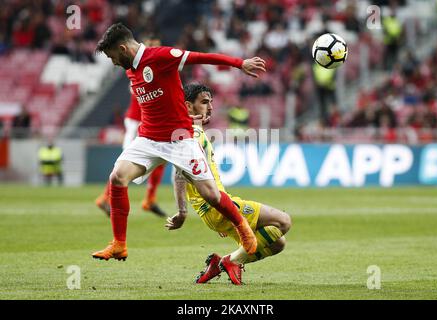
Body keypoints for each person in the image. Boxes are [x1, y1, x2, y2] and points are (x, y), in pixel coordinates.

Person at [92, 23, 266, 261]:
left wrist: (239, 64)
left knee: (211, 196)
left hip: (179, 140)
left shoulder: (161, 56)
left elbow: (201, 57)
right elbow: (159, 102)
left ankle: (243, 227)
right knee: (117, 177)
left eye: (113, 57)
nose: (113, 62)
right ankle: (119, 244)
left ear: (122, 48)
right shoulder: (130, 69)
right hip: (148, 139)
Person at [165, 84, 291, 285]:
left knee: (277, 243)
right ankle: (229, 261)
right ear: (188, 107)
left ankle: (220, 263)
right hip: (215, 207)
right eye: (204, 102)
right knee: (283, 221)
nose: (211, 107)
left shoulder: (193, 133)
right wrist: (182, 212)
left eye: (211, 102)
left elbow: (181, 173)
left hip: (215, 208)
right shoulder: (193, 136)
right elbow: (179, 173)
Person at [95, 38, 167, 218]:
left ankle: (149, 199)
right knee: (126, 163)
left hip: (144, 123)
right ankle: (105, 197)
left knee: (162, 158)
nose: (155, 48)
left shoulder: (151, 65)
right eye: (152, 44)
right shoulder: (138, 68)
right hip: (137, 122)